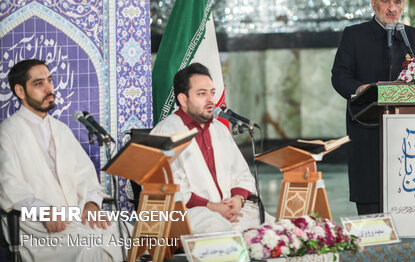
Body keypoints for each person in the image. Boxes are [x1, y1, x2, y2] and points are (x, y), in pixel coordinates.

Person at [0, 59, 124, 262]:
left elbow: (84, 176)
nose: (50, 89)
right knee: (89, 245)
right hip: (37, 228)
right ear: (20, 92)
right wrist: (45, 211)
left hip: (75, 218)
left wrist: (92, 203)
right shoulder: (7, 133)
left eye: (50, 80)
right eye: (39, 84)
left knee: (125, 232)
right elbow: (8, 187)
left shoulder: (61, 130)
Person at [331, 0, 415, 215]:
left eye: (397, 2)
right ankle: (375, 246)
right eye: (385, 1)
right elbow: (340, 76)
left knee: (409, 203)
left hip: (410, 135)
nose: (392, 8)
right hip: (367, 128)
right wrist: (361, 90)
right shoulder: (354, 35)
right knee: (371, 202)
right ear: (373, 3)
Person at [151, 63, 269, 233]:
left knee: (271, 226)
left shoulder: (219, 129)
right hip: (189, 213)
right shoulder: (165, 133)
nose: (211, 100)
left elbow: (241, 174)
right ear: (183, 99)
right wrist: (212, 207)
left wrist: (237, 199)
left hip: (229, 209)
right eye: (202, 94)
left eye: (212, 93)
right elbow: (168, 189)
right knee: (218, 228)